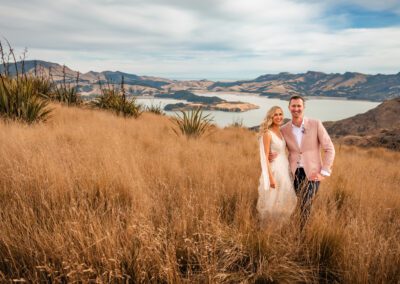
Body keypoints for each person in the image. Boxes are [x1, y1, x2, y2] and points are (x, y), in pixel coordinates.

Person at [273, 95, 335, 229]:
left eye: (299, 106)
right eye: (293, 106)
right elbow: (281, 149)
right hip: (293, 173)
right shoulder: (284, 129)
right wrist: (273, 154)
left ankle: (303, 233)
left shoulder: (315, 124)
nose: (296, 109)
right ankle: (293, 228)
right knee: (297, 202)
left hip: (313, 173)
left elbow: (329, 148)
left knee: (306, 203)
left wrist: (323, 172)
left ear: (304, 108)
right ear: (289, 108)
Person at [257, 106, 297, 224]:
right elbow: (264, 157)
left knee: (283, 199)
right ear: (271, 117)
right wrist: (270, 179)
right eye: (275, 114)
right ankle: (268, 227)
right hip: (274, 170)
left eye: (280, 114)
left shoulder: (281, 131)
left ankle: (279, 226)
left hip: (284, 169)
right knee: (272, 200)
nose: (279, 117)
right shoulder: (267, 133)